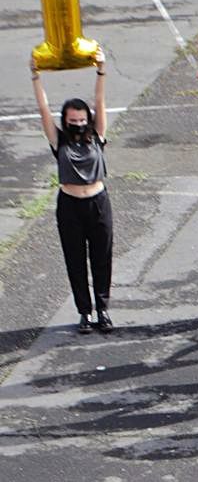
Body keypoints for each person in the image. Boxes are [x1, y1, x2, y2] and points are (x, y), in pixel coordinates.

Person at [33, 53, 115, 331]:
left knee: (101, 257)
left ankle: (103, 310)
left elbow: (101, 102)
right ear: (66, 120)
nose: (78, 123)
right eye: (73, 119)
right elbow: (43, 110)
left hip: (98, 203)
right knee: (75, 259)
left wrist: (101, 72)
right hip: (70, 205)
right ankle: (84, 312)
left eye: (82, 119)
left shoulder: (97, 136)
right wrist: (36, 76)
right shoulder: (60, 141)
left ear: (88, 120)